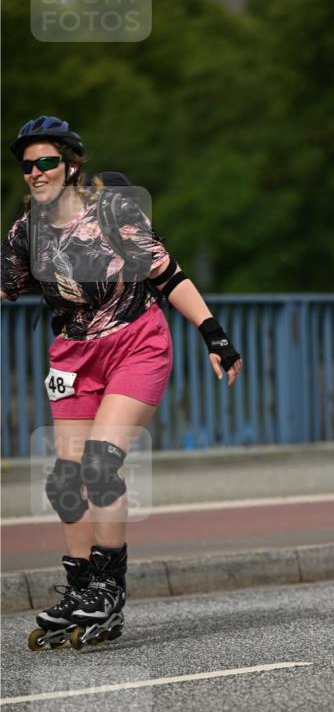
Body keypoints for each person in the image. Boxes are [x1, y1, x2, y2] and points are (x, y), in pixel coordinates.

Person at [0, 116, 242, 651]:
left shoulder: (112, 211)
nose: (36, 173)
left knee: (99, 465)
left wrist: (215, 336)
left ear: (71, 164)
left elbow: (168, 275)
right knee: (64, 482)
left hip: (136, 342)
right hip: (72, 357)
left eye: (46, 162)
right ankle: (81, 588)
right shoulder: (25, 232)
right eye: (27, 165)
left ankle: (109, 588)